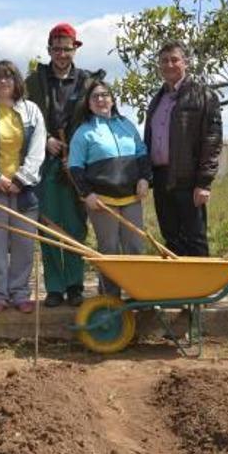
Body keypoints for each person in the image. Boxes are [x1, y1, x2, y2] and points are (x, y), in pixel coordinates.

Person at [25, 23, 104, 307]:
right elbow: (26, 117)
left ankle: (74, 285)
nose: (61, 54)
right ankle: (55, 287)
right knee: (48, 224)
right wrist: (45, 139)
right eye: (56, 49)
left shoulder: (87, 82)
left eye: (66, 48)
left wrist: (77, 150)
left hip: (77, 162)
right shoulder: (34, 80)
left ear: (75, 49)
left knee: (74, 225)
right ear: (49, 50)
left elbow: (96, 116)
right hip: (45, 159)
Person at [0, 60, 47, 315]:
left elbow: (38, 147)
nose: (4, 82)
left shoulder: (31, 110)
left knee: (24, 242)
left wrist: (21, 178)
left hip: (24, 189)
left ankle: (20, 292)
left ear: (17, 81)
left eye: (9, 77)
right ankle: (0, 293)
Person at [68, 81, 151, 296]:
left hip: (131, 197)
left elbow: (142, 153)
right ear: (88, 103)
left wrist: (144, 179)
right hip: (102, 201)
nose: (100, 99)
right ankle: (109, 298)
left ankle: (138, 294)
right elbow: (75, 167)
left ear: (112, 99)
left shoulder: (127, 125)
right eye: (95, 96)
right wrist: (87, 194)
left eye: (105, 95)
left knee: (134, 247)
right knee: (109, 250)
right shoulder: (84, 132)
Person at [144, 41, 222, 256]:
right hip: (161, 178)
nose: (169, 65)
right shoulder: (157, 100)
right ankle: (178, 287)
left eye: (174, 60)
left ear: (185, 62)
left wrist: (204, 183)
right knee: (171, 237)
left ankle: (201, 287)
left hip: (189, 180)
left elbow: (212, 140)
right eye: (164, 61)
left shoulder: (203, 96)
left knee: (194, 237)